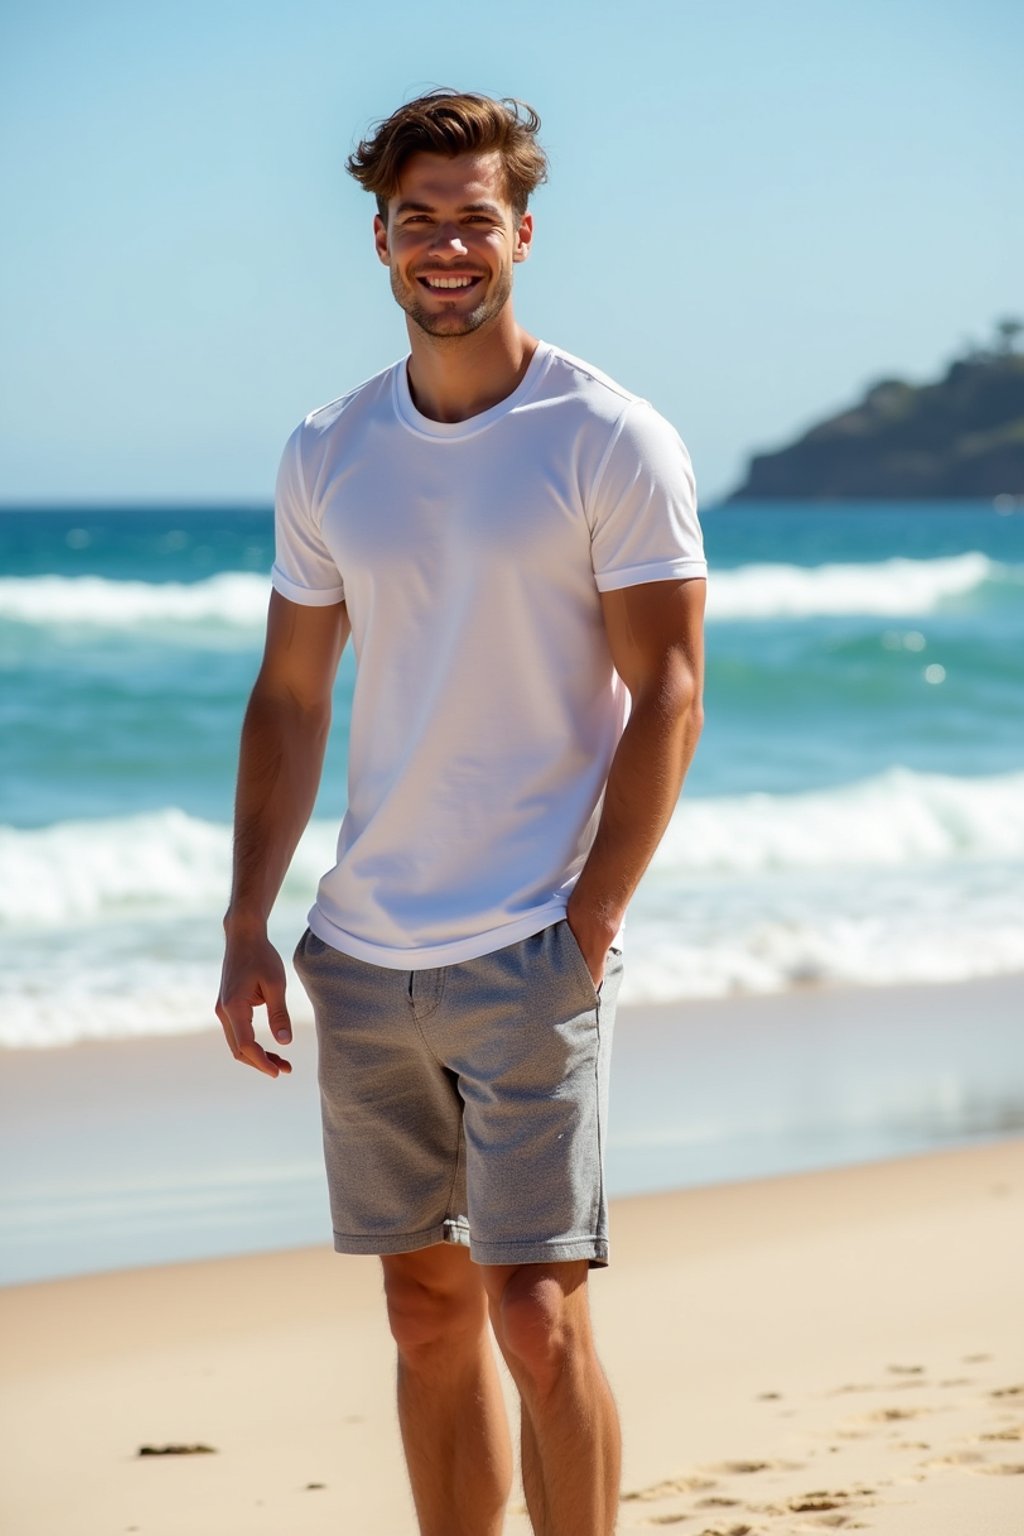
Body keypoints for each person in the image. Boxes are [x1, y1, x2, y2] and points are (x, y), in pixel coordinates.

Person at [216, 89, 707, 1536]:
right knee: (426, 1318)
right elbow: (291, 696)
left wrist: (594, 919)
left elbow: (670, 690)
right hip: (364, 956)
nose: (446, 245)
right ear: (379, 239)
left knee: (537, 1316)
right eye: (419, 219)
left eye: (473, 218)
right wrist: (250, 920)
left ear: (522, 234)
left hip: (531, 943)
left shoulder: (610, 437)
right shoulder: (329, 447)